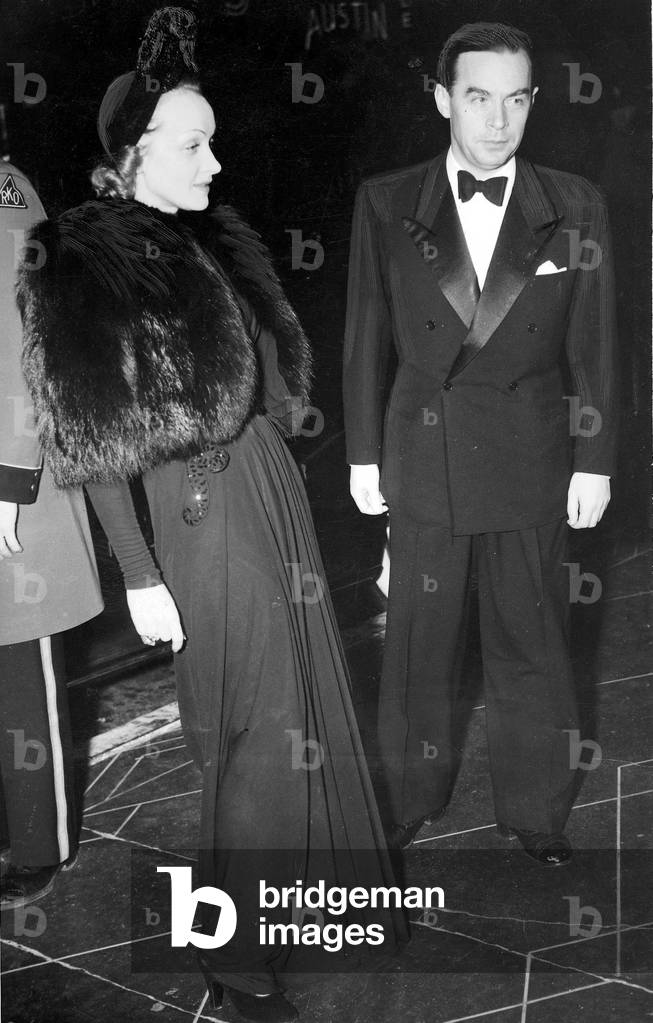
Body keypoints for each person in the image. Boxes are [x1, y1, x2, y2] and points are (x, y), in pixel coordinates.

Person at [17, 9, 404, 1020]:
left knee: (291, 705)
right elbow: (94, 444)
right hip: (198, 508)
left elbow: (267, 383)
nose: (216, 162)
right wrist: (142, 575)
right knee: (255, 728)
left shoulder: (207, 239)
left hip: (264, 484)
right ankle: (234, 961)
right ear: (133, 155)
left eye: (214, 140)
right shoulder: (83, 258)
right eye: (194, 145)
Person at [343, 22, 617, 865]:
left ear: (532, 102)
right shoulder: (386, 200)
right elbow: (364, 337)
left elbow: (596, 347)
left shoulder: (573, 203)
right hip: (422, 452)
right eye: (476, 97)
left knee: (531, 640)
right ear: (441, 100)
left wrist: (596, 460)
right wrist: (361, 453)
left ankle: (535, 810)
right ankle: (407, 797)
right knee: (418, 645)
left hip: (530, 455)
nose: (497, 121)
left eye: (515, 99)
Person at [0, 160, 103, 909]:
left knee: (18, 675)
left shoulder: (3, 194)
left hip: (13, 479)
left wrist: (7, 479)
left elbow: (24, 342)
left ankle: (40, 842)